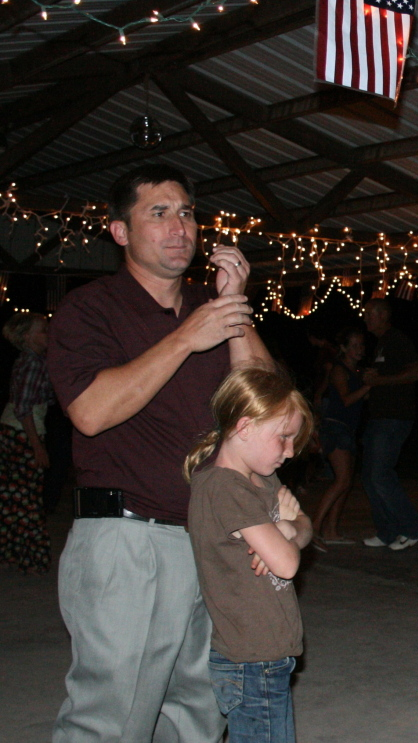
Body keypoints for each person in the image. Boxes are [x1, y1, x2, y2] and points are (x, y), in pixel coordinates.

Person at [48, 163, 271, 742]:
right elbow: (91, 412)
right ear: (120, 232)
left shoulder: (209, 304)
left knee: (198, 711)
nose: (180, 227)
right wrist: (185, 339)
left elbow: (266, 407)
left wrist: (234, 306)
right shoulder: (90, 308)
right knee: (113, 716)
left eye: (187, 213)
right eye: (159, 213)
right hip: (129, 540)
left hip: (208, 535)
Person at [185, 366, 313, 743]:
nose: (290, 452)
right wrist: (286, 534)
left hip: (268, 656)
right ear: (245, 428)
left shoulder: (262, 479)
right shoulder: (224, 488)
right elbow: (287, 564)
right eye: (284, 438)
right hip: (250, 661)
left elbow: (303, 525)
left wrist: (288, 530)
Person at [359, 298, 418, 551]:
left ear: (382, 315)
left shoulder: (397, 339)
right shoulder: (381, 344)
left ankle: (413, 530)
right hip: (379, 417)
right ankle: (387, 532)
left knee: (380, 475)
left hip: (394, 418)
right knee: (369, 477)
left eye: (368, 313)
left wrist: (381, 381)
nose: (365, 318)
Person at [1, 312, 55, 574]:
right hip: (22, 433)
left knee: (14, 496)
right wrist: (36, 445)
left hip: (15, 431)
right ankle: (30, 556)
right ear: (27, 337)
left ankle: (13, 553)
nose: (48, 334)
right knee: (28, 497)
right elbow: (24, 408)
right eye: (43, 330)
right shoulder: (32, 363)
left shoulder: (33, 360)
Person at [311, 326, 370, 550]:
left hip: (348, 430)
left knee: (345, 483)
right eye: (354, 345)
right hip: (335, 428)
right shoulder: (339, 369)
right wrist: (368, 386)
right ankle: (313, 529)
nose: (359, 349)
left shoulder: (357, 372)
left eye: (361, 344)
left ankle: (331, 531)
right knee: (342, 480)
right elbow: (345, 399)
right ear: (344, 348)